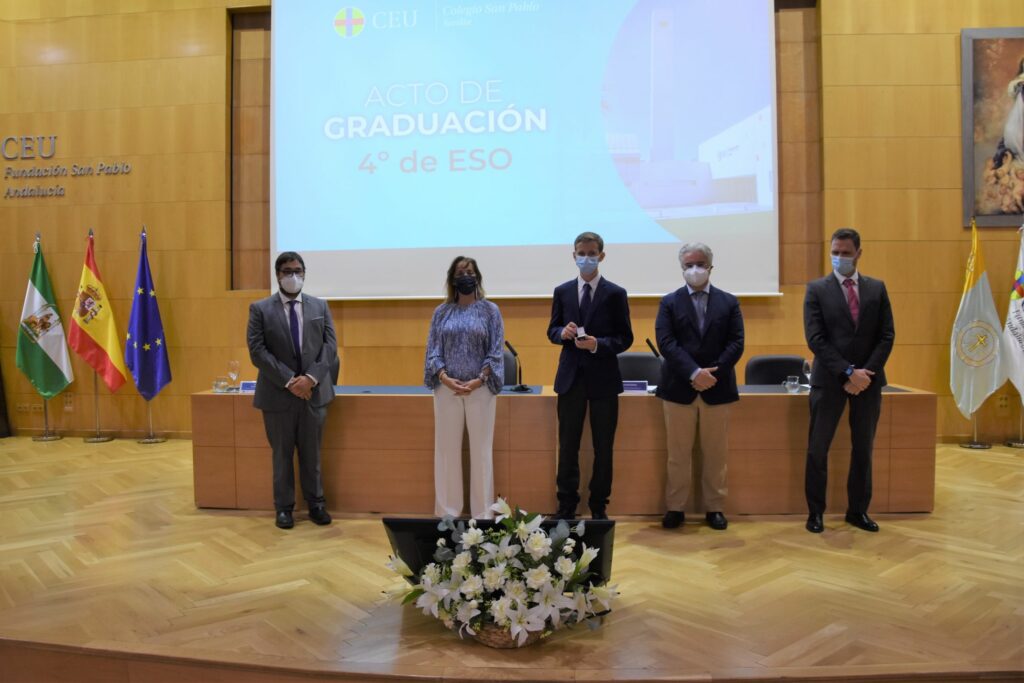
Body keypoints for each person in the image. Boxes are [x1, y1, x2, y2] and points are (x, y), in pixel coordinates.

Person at [803, 227, 895, 534]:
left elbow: (886, 335)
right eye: (835, 252)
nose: (839, 257)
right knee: (818, 449)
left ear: (858, 253)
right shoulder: (817, 289)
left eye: (845, 252)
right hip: (828, 381)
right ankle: (815, 513)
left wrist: (864, 373)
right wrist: (847, 372)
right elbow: (815, 338)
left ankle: (858, 511)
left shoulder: (877, 288)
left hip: (868, 382)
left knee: (863, 449)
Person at [655, 243, 744, 531]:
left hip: (717, 389)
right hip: (679, 388)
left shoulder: (729, 302)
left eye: (700, 263)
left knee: (716, 454)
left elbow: (736, 342)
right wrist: (693, 372)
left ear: (710, 266)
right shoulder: (669, 302)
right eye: (689, 264)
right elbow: (666, 343)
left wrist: (711, 373)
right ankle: (675, 508)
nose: (695, 269)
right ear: (682, 268)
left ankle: (715, 508)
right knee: (677, 455)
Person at [246, 252, 338, 529]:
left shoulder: (319, 307)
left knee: (313, 454)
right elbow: (257, 351)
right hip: (277, 396)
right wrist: (290, 381)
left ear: (304, 273)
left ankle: (316, 504)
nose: (293, 276)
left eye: (298, 271)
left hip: (314, 394)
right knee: (282, 455)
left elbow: (329, 347)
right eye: (287, 271)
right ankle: (283, 508)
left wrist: (309, 378)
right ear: (278, 275)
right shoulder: (260, 309)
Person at [547, 232, 634, 520]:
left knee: (603, 446)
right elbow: (552, 330)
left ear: (601, 256)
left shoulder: (615, 293)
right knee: (568, 445)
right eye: (581, 253)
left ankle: (599, 505)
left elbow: (625, 338)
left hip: (604, 380)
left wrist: (598, 344)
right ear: (573, 255)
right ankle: (566, 504)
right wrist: (562, 333)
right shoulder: (562, 291)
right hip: (571, 378)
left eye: (592, 253)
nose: (586, 258)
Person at [424, 256, 504, 519]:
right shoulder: (442, 312)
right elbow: (433, 350)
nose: (465, 276)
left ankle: (482, 514)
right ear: (452, 279)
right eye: (460, 272)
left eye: (469, 272)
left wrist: (479, 379)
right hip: (447, 389)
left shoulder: (490, 311)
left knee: (482, 451)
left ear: (477, 277)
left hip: (480, 389)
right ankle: (448, 513)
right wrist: (444, 377)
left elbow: (495, 352)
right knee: (446, 451)